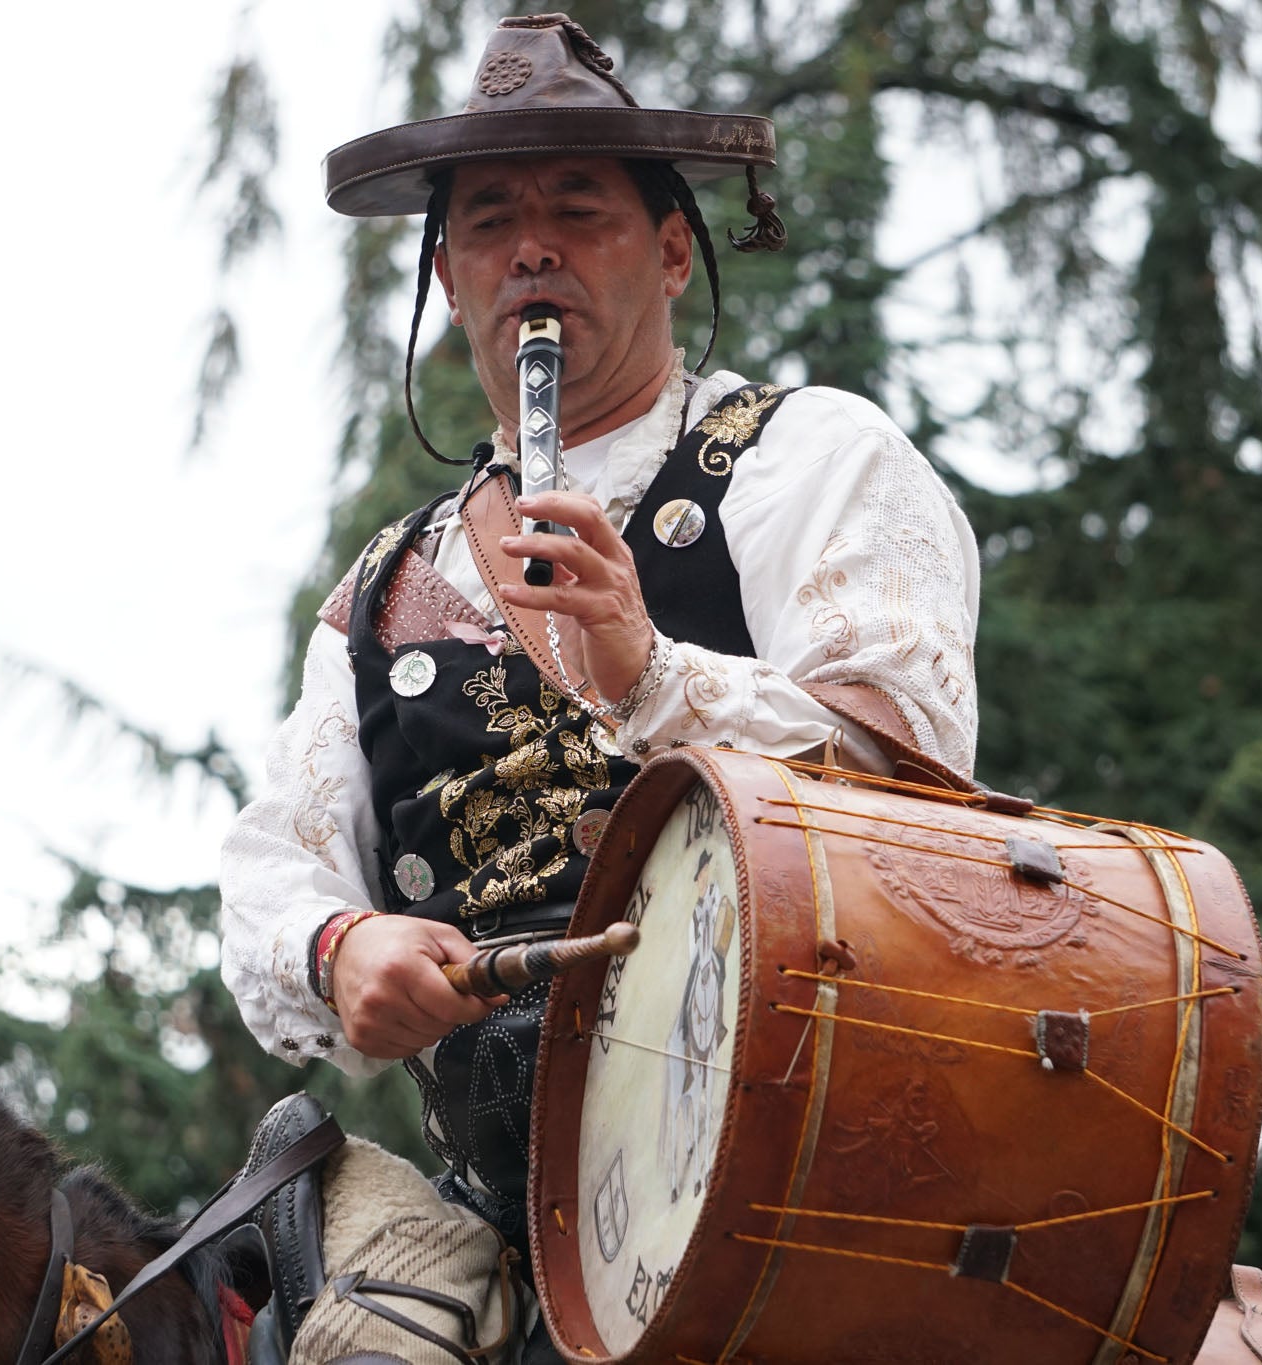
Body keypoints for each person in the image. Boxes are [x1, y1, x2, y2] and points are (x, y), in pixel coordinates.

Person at [218, 13, 979, 1360]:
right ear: (447, 277)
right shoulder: (381, 590)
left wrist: (650, 670)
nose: (533, 248)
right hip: (501, 1236)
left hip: (807, 1195)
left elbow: (924, 809)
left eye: (580, 207)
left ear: (677, 250)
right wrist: (342, 951)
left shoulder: (814, 460)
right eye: (490, 221)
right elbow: (271, 876)